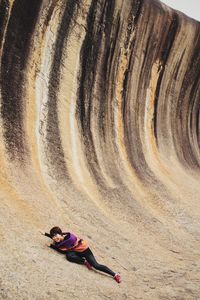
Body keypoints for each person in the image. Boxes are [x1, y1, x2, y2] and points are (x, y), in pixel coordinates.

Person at [40, 226, 121, 283]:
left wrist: (51, 246)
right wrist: (46, 234)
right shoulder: (62, 237)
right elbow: (58, 241)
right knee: (69, 256)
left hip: (85, 250)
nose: (54, 238)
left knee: (95, 265)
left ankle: (115, 275)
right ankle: (84, 261)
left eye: (55, 235)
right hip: (75, 250)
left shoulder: (70, 238)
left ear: (60, 234)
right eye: (53, 236)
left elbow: (61, 249)